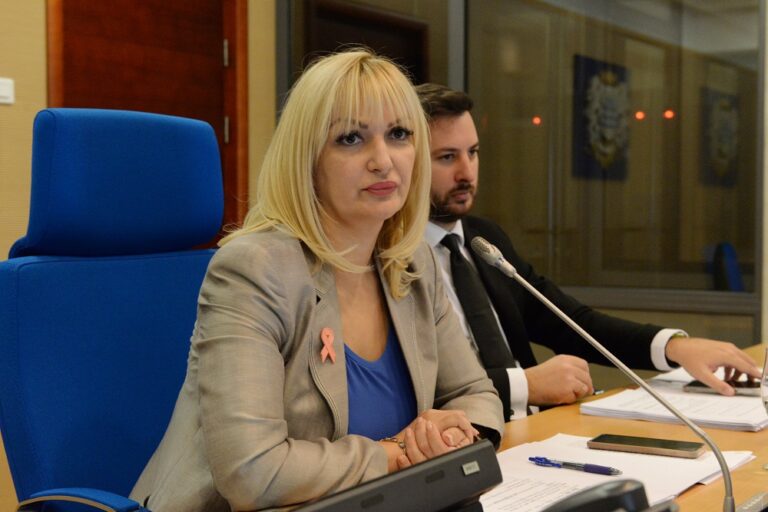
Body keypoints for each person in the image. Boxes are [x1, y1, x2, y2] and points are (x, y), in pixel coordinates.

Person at [130, 52, 504, 512]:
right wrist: (398, 454)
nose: (383, 160)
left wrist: (454, 436)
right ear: (307, 159)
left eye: (399, 134)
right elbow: (253, 473)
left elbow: (476, 394)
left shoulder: (412, 263)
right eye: (351, 138)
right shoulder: (253, 270)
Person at [415, 82, 761, 421]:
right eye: (447, 157)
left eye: (473, 153)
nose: (466, 172)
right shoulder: (396, 262)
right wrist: (525, 385)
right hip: (468, 441)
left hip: (537, 429)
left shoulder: (483, 239)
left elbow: (569, 323)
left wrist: (674, 347)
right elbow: (417, 390)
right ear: (410, 164)